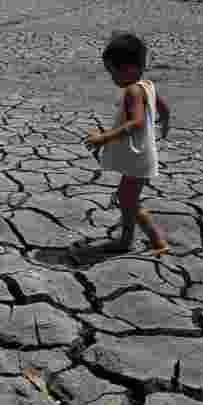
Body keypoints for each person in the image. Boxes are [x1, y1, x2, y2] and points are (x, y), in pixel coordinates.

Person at [84, 32, 171, 256]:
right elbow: (164, 108)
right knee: (127, 198)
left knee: (128, 199)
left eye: (113, 72)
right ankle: (141, 240)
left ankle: (147, 240)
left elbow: (137, 122)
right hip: (142, 155)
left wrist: (104, 138)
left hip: (138, 158)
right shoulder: (148, 85)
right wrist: (165, 123)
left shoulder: (132, 90)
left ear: (129, 69)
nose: (112, 78)